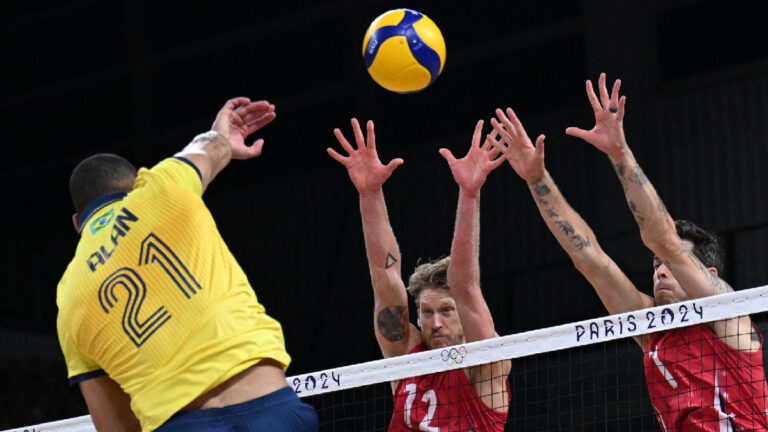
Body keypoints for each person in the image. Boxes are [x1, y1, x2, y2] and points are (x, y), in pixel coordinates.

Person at [489, 73, 768, 431]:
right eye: (655, 266)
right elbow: (591, 260)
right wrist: (536, 179)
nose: (660, 271)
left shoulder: (728, 314)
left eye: (672, 265)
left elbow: (663, 239)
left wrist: (619, 152)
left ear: (709, 278)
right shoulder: (651, 328)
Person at [57, 97, 319, 432]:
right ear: (135, 182)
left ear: (78, 222)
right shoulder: (161, 186)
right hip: (271, 412)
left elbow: (115, 425)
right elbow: (209, 150)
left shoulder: (67, 298)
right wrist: (223, 133)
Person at [327, 119, 512, 431]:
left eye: (446, 311)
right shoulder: (405, 352)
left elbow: (465, 285)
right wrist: (370, 193)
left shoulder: (486, 362)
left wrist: (470, 194)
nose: (435, 323)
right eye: (426, 312)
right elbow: (385, 279)